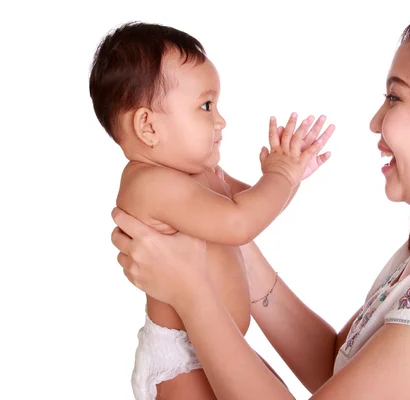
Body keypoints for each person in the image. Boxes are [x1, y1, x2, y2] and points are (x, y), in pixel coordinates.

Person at [110, 1, 410, 398]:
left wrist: (191, 292)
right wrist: (218, 236)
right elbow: (340, 365)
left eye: (395, 99)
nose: (376, 122)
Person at [89, 22, 334, 399]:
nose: (220, 120)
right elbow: (238, 222)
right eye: (206, 105)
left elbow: (253, 209)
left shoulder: (200, 174)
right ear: (148, 127)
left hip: (216, 344)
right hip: (179, 361)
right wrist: (280, 174)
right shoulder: (150, 184)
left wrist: (292, 176)